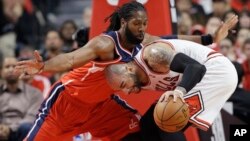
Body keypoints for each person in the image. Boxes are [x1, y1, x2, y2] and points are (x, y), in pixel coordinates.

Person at [14, 1, 238, 140]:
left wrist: (209, 38)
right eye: (136, 24)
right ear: (123, 22)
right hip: (68, 103)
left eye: (144, 23)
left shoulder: (144, 41)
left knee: (141, 130)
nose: (141, 28)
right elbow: (71, 59)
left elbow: (171, 39)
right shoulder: (105, 44)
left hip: (103, 106)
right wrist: (44, 66)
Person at [105, 39, 238, 140]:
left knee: (167, 119)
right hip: (206, 77)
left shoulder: (152, 55)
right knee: (148, 123)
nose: (127, 91)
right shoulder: (136, 78)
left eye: (123, 85)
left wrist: (179, 91)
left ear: (128, 69)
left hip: (216, 71)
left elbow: (196, 68)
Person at [0, 57, 43, 141]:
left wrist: (10, 129)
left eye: (14, 66)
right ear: (1, 72)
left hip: (21, 132)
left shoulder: (34, 93)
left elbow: (31, 117)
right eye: (7, 67)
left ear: (21, 71)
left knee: (26, 127)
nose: (11, 70)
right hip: (1, 130)